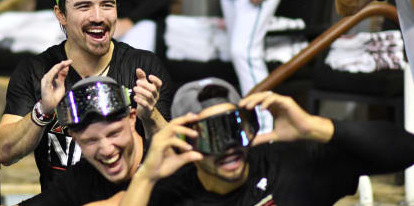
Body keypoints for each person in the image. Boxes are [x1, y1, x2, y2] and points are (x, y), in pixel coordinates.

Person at [0, 0, 173, 189]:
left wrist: (151, 116)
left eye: (107, 5)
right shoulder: (37, 71)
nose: (97, 17)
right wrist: (43, 110)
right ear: (61, 15)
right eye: (84, 6)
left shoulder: (144, 68)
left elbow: (173, 156)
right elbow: (4, 152)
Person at [119, 78, 414, 205]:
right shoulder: (172, 194)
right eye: (213, 134)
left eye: (235, 128)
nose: (229, 146)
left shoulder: (289, 166)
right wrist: (146, 177)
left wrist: (314, 126)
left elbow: (405, 150)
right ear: (188, 141)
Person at [0, 76, 152, 206]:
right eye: (91, 141)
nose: (106, 149)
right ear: (75, 139)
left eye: (114, 134)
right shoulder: (80, 179)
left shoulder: (171, 160)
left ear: (132, 119)